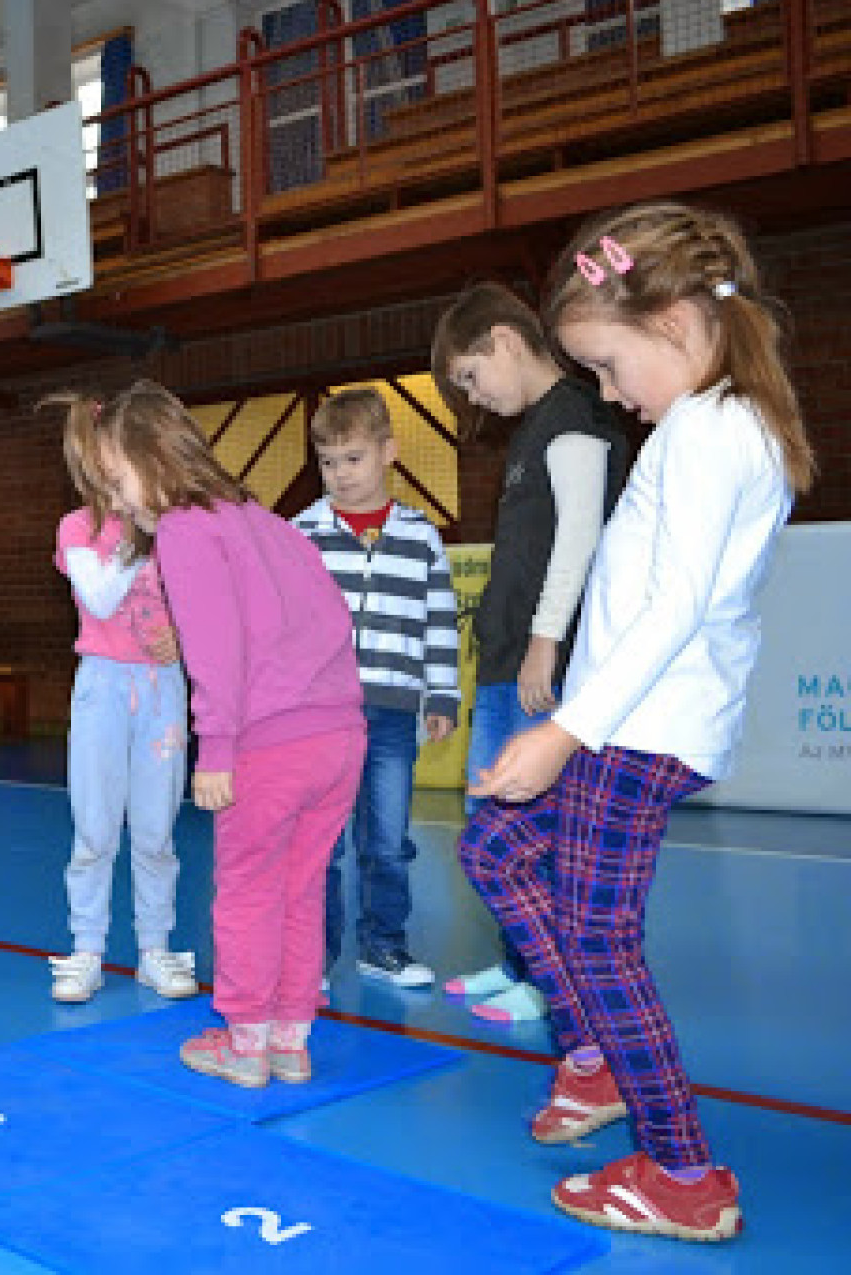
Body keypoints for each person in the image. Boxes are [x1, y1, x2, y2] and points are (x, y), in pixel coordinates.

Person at [461, 202, 812, 1242]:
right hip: (628, 719)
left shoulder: (710, 429)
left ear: (672, 322)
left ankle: (681, 1167)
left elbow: (676, 605)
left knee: (599, 940)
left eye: (610, 368)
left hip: (638, 729)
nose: (611, 396)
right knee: (495, 850)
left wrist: (564, 730)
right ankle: (597, 1059)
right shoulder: (709, 422)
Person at [72, 380, 364, 1089]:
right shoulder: (265, 520)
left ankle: (245, 1040)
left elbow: (213, 648)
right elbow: (332, 617)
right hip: (338, 735)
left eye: (118, 480)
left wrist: (219, 749)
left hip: (269, 743)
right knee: (300, 889)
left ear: (153, 459)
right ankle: (290, 1038)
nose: (119, 502)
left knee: (247, 891)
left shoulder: (185, 529)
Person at [432, 282, 630, 1023]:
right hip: (504, 661)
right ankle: (519, 960)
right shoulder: (529, 432)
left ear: (505, 341)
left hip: (540, 665)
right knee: (495, 827)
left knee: (529, 833)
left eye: (471, 376)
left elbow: (579, 537)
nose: (474, 397)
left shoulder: (573, 417)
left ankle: (549, 981)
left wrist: (546, 641)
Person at [291, 388, 459, 989]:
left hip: (391, 715)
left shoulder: (420, 535)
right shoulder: (302, 534)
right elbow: (285, 626)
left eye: (354, 458)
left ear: (388, 452)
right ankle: (312, 957)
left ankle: (383, 946)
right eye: (328, 462)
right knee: (321, 843)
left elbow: (440, 620)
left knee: (387, 841)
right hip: (322, 718)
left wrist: (441, 695)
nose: (340, 474)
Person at [45, 402, 196, 1004]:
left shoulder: (175, 527)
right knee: (94, 825)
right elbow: (102, 599)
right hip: (102, 688)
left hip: (163, 690)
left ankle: (155, 948)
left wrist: (183, 636)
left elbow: (206, 603)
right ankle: (87, 949)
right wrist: (138, 536)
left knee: (157, 829)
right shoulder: (77, 529)